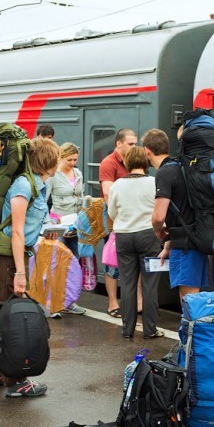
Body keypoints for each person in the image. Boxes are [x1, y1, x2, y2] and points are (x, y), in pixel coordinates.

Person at [0, 137, 59, 397]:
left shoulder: (40, 185)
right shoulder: (23, 186)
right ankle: (15, 381)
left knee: (2, 312)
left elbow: (27, 227)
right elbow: (16, 231)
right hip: (6, 256)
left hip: (15, 254)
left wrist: (45, 231)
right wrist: (20, 272)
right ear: (48, 161)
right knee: (8, 315)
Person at [146, 128, 209, 301]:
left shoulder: (165, 172)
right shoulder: (181, 167)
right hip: (195, 240)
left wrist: (159, 232)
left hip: (186, 247)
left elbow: (159, 217)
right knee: (195, 297)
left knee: (188, 300)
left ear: (146, 150)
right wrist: (170, 242)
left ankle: (191, 329)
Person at [107, 147, 163, 339]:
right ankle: (150, 330)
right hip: (149, 236)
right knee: (149, 284)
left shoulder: (116, 185)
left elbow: (112, 213)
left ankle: (127, 329)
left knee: (128, 283)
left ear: (127, 163)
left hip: (124, 237)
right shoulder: (154, 182)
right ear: (145, 162)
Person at [98, 128, 138, 318]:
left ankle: (135, 303)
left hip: (132, 216)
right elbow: (107, 193)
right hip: (114, 216)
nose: (134, 147)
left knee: (133, 260)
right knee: (112, 261)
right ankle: (113, 303)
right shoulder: (109, 163)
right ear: (118, 143)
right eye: (131, 143)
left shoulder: (134, 162)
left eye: (136, 143)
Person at [45, 142, 86, 315]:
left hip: (75, 224)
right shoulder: (53, 176)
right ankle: (52, 303)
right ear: (60, 157)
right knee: (56, 263)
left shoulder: (77, 173)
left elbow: (81, 196)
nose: (73, 163)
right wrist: (48, 225)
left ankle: (70, 301)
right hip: (58, 224)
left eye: (75, 160)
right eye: (69, 159)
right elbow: (45, 200)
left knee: (73, 263)